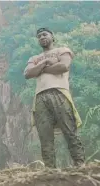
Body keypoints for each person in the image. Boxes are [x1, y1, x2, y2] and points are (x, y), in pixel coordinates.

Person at [23, 27, 85, 168]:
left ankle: (80, 164)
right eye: (39, 36)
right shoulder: (34, 58)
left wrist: (40, 69)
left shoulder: (62, 50)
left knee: (70, 130)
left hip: (60, 93)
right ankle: (50, 170)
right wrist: (45, 63)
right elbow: (27, 74)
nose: (41, 37)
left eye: (44, 34)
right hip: (40, 97)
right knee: (45, 136)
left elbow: (63, 66)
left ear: (52, 36)